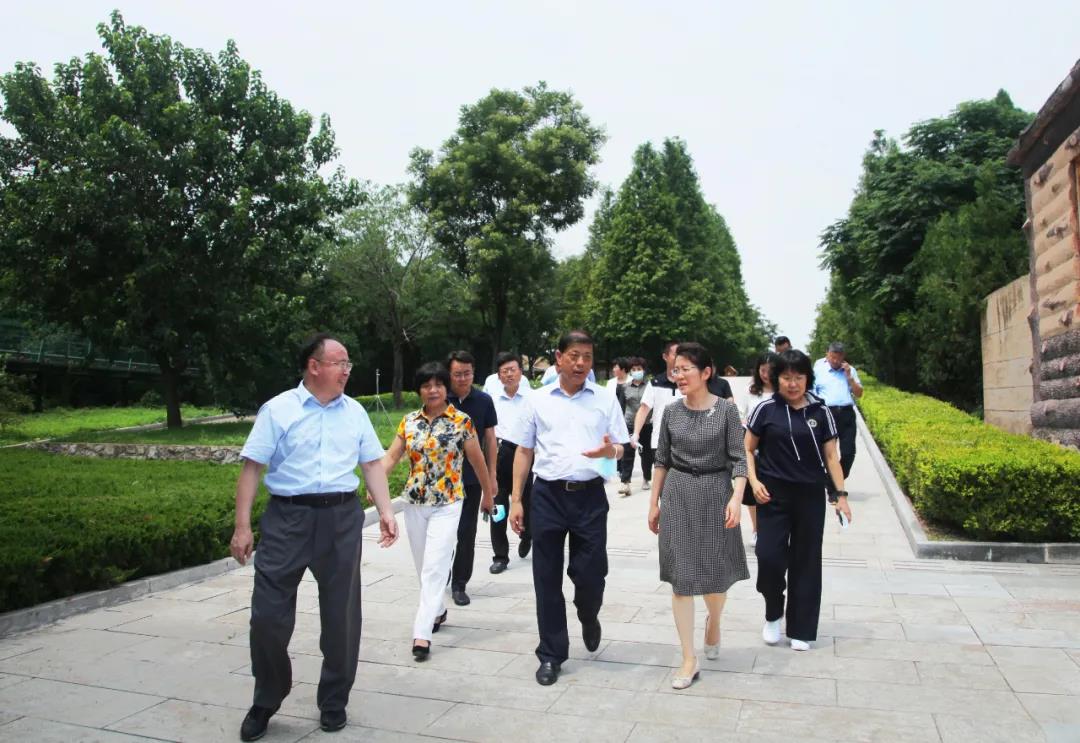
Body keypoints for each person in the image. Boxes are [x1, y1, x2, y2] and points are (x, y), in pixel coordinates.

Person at [231, 333, 397, 742]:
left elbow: (371, 465)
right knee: (267, 618)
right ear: (314, 366)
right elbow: (252, 468)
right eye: (340, 363)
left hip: (341, 519)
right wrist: (242, 526)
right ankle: (267, 697)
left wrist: (387, 511)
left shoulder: (354, 412)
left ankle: (334, 700)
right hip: (287, 520)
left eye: (348, 364)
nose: (347, 370)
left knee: (342, 617)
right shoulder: (278, 410)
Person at [509, 330, 630, 686]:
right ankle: (551, 654)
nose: (581, 363)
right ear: (559, 358)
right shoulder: (537, 400)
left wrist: (611, 452)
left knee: (591, 574)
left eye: (587, 357)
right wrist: (516, 499)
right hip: (547, 495)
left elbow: (621, 446)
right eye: (574, 356)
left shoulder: (604, 399)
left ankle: (588, 615)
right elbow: (524, 451)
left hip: (590, 497)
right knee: (546, 577)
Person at [647, 343, 750, 690]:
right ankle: (688, 658)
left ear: (706, 373)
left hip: (716, 493)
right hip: (678, 494)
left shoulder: (726, 411)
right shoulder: (671, 412)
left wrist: (736, 498)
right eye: (675, 370)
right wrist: (654, 503)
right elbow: (661, 459)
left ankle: (714, 621)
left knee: (716, 575)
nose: (678, 375)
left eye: (686, 369)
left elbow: (739, 459)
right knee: (681, 578)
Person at [380, 362, 494, 661]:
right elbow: (391, 457)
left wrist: (488, 493)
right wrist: (375, 483)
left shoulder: (462, 421)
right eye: (426, 385)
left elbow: (477, 459)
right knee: (423, 566)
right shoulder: (409, 422)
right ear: (419, 390)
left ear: (446, 388)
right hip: (414, 503)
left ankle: (422, 633)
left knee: (435, 566)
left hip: (449, 502)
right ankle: (439, 609)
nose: (433, 390)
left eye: (438, 385)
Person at [745, 350, 852, 651]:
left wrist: (841, 495)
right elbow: (746, 449)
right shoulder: (765, 409)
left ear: (808, 379)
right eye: (786, 377)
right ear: (776, 379)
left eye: (799, 377)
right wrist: (754, 481)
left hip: (809, 496)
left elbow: (832, 457)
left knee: (806, 560)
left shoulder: (821, 411)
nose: (792, 384)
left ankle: (801, 628)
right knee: (768, 557)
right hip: (772, 495)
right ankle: (773, 612)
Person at [445, 350, 499, 606]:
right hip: (443, 480)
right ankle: (440, 575)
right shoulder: (440, 398)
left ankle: (459, 583)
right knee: (443, 534)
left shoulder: (484, 400)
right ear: (449, 374)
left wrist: (492, 476)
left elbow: (490, 439)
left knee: (466, 533)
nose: (462, 379)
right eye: (457, 374)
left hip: (472, 478)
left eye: (467, 373)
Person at [488, 351, 534, 572]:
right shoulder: (492, 400)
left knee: (528, 504)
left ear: (520, 372)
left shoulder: (533, 399)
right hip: (499, 455)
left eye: (512, 370)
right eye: (504, 371)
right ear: (498, 376)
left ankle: (527, 535)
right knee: (498, 509)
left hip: (524, 455)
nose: (508, 374)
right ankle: (500, 556)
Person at [740, 352, 779, 546]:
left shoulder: (782, 391)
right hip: (752, 447)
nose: (766, 375)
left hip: (776, 448)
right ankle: (757, 529)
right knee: (753, 491)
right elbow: (742, 415)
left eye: (770, 371)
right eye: (763, 370)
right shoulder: (751, 391)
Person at [630, 341, 681, 490]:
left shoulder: (688, 382)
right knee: (664, 488)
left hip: (686, 442)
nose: (679, 357)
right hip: (660, 442)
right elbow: (643, 409)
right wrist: (636, 433)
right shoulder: (655, 383)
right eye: (676, 354)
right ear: (665, 357)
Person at [812, 342, 863, 488]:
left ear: (843, 357)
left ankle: (832, 481)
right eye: (832, 357)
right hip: (827, 414)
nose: (835, 361)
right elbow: (812, 392)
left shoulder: (850, 370)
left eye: (838, 358)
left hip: (846, 414)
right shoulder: (818, 370)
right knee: (828, 453)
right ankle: (833, 487)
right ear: (827, 354)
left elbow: (859, 393)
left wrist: (849, 377)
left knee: (849, 453)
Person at [616, 357, 652, 496]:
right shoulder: (624, 387)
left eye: (639, 369)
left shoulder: (650, 387)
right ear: (630, 371)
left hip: (647, 424)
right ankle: (625, 483)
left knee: (646, 454)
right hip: (629, 424)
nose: (636, 371)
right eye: (634, 369)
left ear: (644, 370)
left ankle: (646, 478)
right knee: (628, 453)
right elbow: (621, 407)